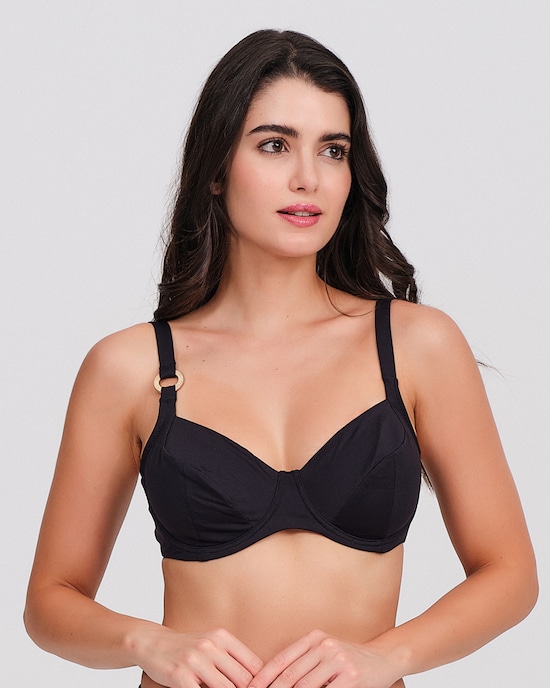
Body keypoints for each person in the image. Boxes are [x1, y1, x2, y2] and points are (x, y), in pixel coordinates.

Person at [24, 29, 537, 688]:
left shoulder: (415, 346)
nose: (307, 178)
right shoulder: (131, 367)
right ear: (215, 169)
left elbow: (510, 574)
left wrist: (390, 656)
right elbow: (50, 602)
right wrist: (148, 642)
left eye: (333, 150)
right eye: (274, 144)